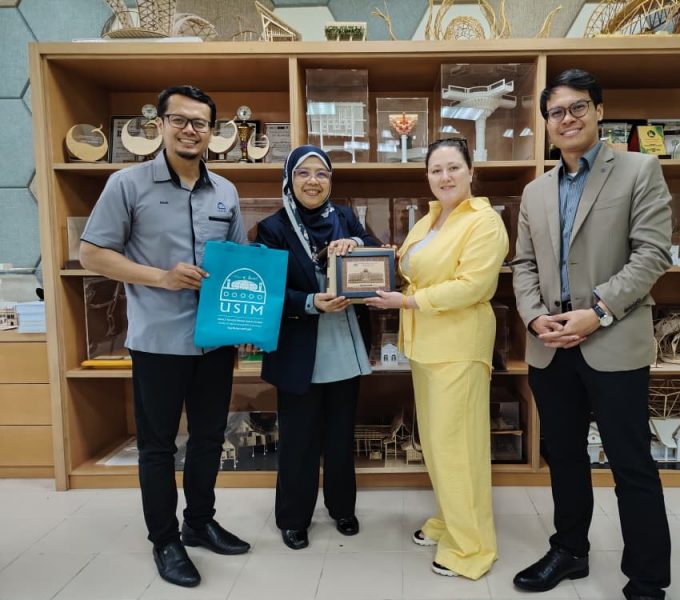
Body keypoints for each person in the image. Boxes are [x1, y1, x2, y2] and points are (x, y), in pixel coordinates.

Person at [79, 85, 251, 588]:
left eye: (200, 123)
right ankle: (165, 540)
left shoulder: (226, 191)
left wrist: (245, 325)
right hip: (158, 342)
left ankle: (199, 522)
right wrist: (161, 277)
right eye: (180, 120)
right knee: (157, 447)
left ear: (212, 132)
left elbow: (239, 264)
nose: (190, 130)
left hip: (215, 341)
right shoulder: (126, 184)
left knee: (209, 437)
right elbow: (92, 254)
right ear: (160, 124)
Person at [511, 69, 672, 600]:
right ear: (547, 123)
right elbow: (523, 264)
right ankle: (570, 551)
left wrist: (597, 311)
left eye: (578, 107)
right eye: (556, 112)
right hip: (550, 345)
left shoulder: (639, 170)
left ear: (599, 111)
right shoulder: (535, 191)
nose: (568, 119)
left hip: (612, 341)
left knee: (631, 463)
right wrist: (534, 317)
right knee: (563, 456)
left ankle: (647, 580)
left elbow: (652, 255)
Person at [365, 138, 507, 579]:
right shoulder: (430, 218)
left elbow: (472, 286)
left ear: (471, 171)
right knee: (438, 445)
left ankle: (471, 548)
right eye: (436, 170)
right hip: (426, 346)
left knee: (459, 449)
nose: (444, 177)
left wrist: (407, 303)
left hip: (459, 348)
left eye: (453, 168)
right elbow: (409, 267)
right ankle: (450, 520)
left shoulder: (484, 222)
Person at [256, 145, 381, 551]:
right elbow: (268, 291)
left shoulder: (344, 216)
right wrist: (311, 302)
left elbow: (374, 248)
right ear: (289, 179)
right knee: (299, 440)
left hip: (343, 343)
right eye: (303, 173)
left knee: (341, 436)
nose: (313, 181)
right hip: (299, 349)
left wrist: (354, 245)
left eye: (322, 174)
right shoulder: (272, 228)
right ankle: (294, 518)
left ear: (331, 180)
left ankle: (342, 508)